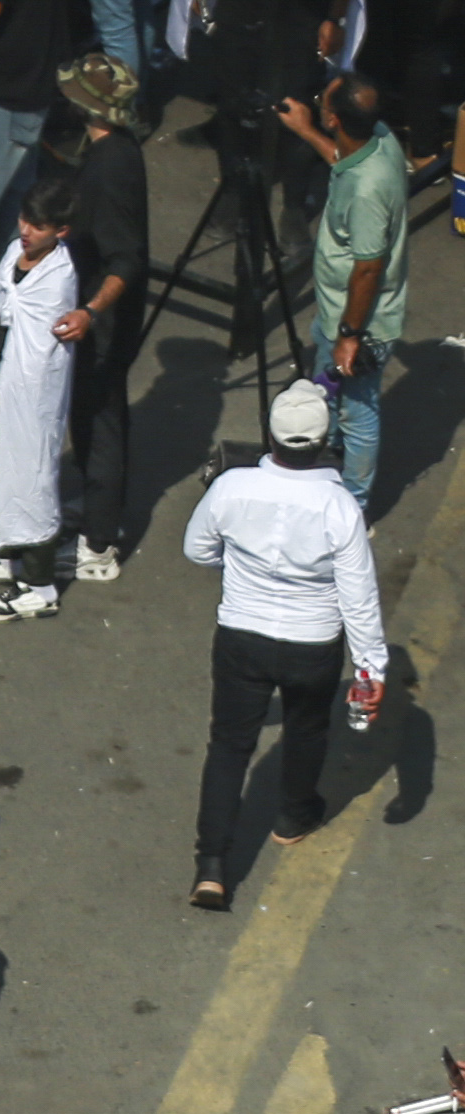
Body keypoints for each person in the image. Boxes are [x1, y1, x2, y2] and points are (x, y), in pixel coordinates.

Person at [185, 382, 389, 904]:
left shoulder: (231, 487)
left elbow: (197, 549)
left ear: (269, 436)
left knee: (229, 744)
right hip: (312, 646)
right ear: (324, 442)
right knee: (307, 728)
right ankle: (294, 816)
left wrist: (239, 570)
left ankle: (211, 866)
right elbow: (358, 597)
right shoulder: (340, 507)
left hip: (241, 638)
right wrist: (371, 670)